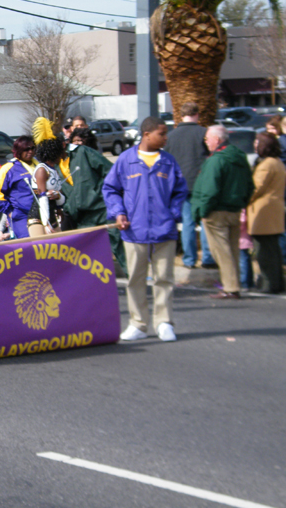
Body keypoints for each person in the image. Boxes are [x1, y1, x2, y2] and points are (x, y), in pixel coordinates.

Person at [103, 116, 188, 342]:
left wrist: (173, 213)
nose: (166, 138)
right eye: (162, 133)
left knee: (164, 278)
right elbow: (110, 189)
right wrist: (118, 212)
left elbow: (180, 191)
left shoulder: (168, 161)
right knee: (135, 280)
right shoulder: (125, 160)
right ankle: (138, 324)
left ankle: (164, 322)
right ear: (147, 134)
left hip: (164, 230)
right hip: (134, 231)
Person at [191, 125, 255, 300]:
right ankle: (234, 285)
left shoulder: (216, 161)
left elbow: (209, 190)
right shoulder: (240, 158)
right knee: (232, 250)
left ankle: (231, 287)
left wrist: (202, 211)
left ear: (217, 140)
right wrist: (242, 203)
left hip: (216, 212)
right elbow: (250, 185)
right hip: (235, 209)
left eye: (207, 139)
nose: (206, 142)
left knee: (221, 252)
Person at [61, 127, 127, 276]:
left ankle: (132, 276)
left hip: (102, 209)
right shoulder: (62, 163)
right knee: (89, 252)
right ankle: (95, 282)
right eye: (75, 141)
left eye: (81, 141)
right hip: (83, 216)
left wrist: (100, 193)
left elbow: (111, 174)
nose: (78, 144)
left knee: (117, 244)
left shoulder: (88, 154)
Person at [165, 102, 215, 269]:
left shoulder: (171, 136)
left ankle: (189, 259)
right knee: (205, 221)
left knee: (187, 223)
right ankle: (207, 258)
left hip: (181, 185)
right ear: (197, 114)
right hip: (202, 184)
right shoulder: (204, 133)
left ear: (180, 116)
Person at [246, 133, 285, 293]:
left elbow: (255, 188)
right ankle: (277, 283)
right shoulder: (277, 162)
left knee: (264, 252)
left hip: (263, 212)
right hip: (274, 210)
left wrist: (242, 200)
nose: (255, 144)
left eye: (257, 142)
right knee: (273, 250)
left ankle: (269, 284)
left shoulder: (266, 165)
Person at [0, 138, 37, 239]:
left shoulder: (39, 165)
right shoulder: (8, 168)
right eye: (26, 149)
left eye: (32, 148)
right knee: (28, 244)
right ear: (19, 150)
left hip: (40, 213)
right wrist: (10, 212)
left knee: (44, 244)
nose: (30, 151)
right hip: (21, 216)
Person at [28, 138, 66, 237]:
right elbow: (43, 198)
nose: (62, 155)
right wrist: (46, 223)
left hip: (52, 217)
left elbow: (60, 198)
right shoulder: (42, 170)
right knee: (41, 246)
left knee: (60, 244)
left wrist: (58, 196)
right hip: (38, 218)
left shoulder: (54, 170)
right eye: (60, 152)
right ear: (54, 153)